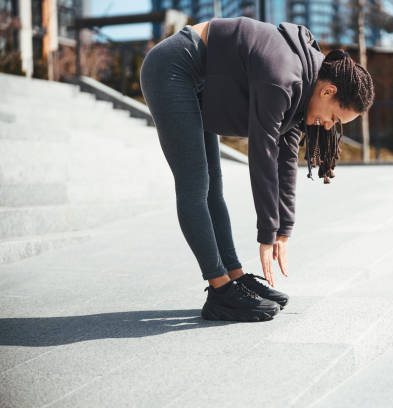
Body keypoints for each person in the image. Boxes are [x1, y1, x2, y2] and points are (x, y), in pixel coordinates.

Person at [139, 16, 374, 322]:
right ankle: (220, 290)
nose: (329, 127)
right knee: (195, 185)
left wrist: (283, 229)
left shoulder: (305, 89)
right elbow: (261, 153)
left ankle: (233, 276)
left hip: (204, 83)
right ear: (328, 92)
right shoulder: (283, 76)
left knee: (213, 186)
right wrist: (266, 231)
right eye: (335, 119)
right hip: (172, 69)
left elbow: (286, 156)